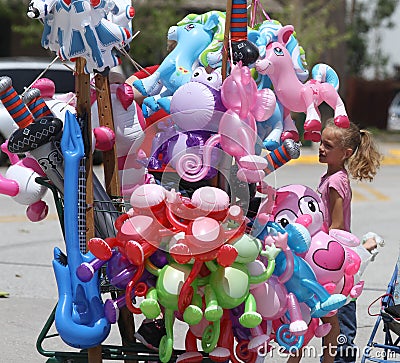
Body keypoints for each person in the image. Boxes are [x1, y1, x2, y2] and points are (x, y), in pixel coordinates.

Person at [317, 118, 383, 363]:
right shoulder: (332, 176)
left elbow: (337, 227)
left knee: (340, 319)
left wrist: (321, 253)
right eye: (322, 142)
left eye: (328, 145)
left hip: (337, 260)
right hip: (334, 257)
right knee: (333, 319)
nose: (321, 148)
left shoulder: (335, 181)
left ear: (345, 153)